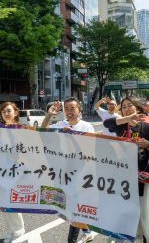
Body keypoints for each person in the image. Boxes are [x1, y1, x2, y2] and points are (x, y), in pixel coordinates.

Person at [103, 96, 149, 242]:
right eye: (124, 107)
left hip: (142, 180)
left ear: (137, 107)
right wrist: (127, 118)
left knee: (144, 220)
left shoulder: (147, 127)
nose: (127, 108)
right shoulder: (120, 126)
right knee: (123, 217)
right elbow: (106, 122)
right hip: (123, 179)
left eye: (130, 105)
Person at [41, 97, 95, 243]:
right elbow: (43, 131)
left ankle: (72, 240)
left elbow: (90, 151)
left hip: (82, 173)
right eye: (66, 109)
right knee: (69, 206)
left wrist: (72, 137)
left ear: (79, 109)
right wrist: (49, 114)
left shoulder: (87, 127)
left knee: (73, 208)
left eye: (72, 108)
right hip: (63, 172)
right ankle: (87, 230)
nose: (69, 112)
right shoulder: (60, 124)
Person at [0, 102, 25, 243]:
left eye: (8, 111)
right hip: (1, 170)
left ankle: (19, 232)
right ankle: (11, 231)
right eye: (3, 111)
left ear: (15, 113)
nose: (6, 113)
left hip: (15, 171)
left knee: (12, 202)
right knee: (3, 203)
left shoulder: (21, 129)